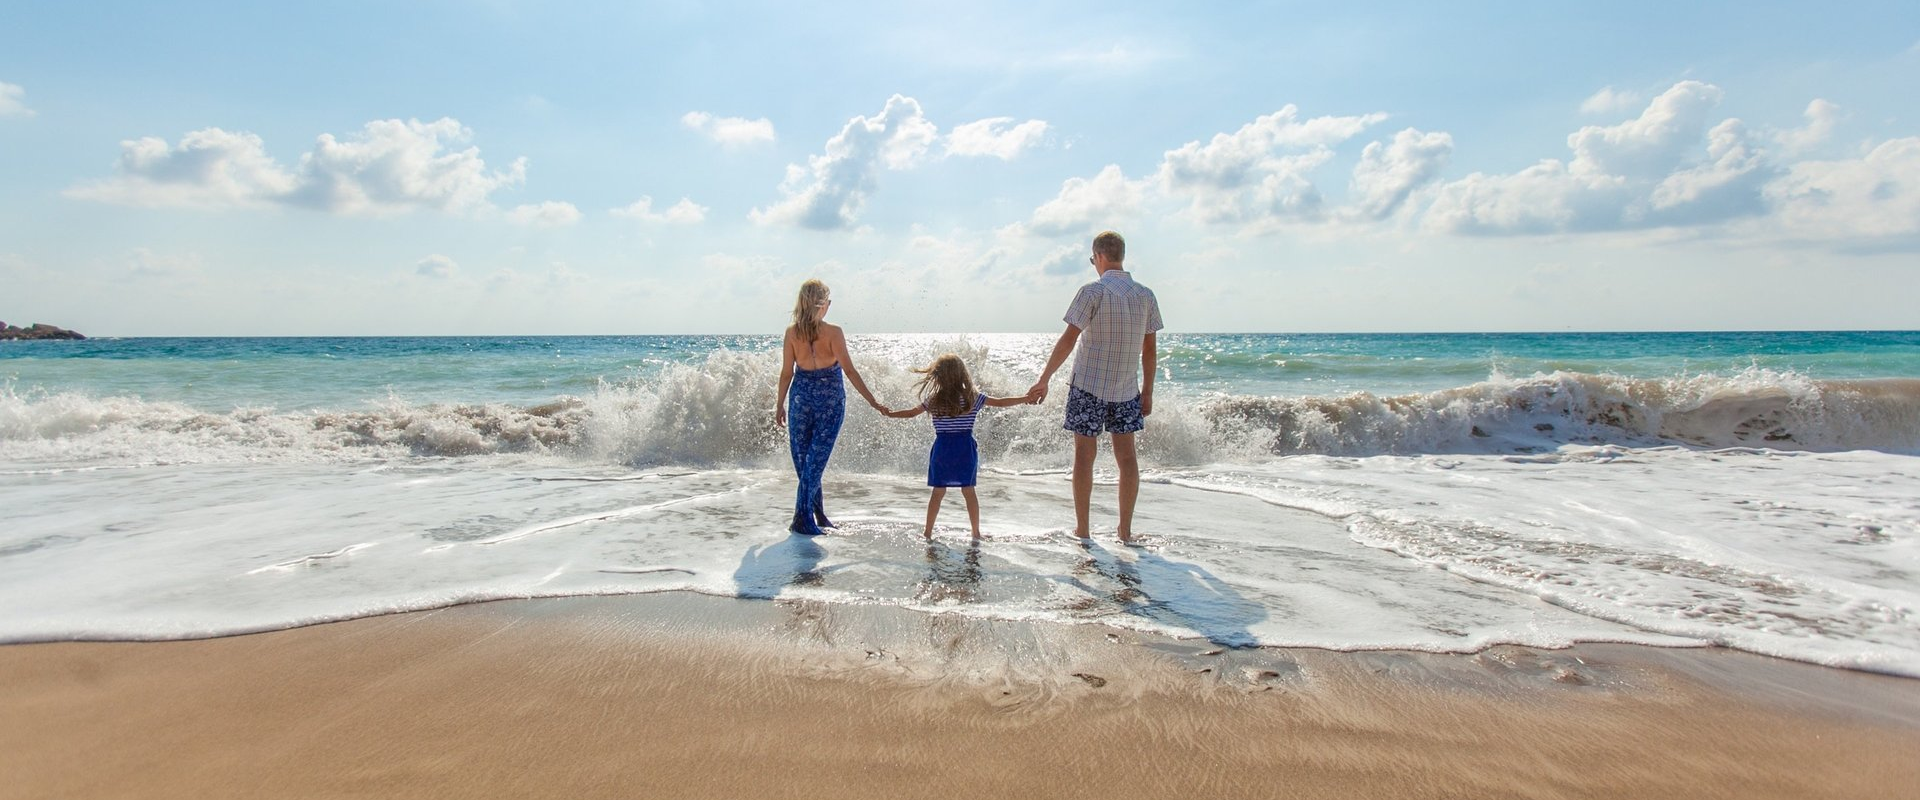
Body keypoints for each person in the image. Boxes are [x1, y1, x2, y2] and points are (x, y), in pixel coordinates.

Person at [1025, 231, 1163, 543]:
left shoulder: (1092, 292)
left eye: (1092, 260)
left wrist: (1044, 378)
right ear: (1121, 256)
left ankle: (1083, 530)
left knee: (1084, 457)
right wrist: (1149, 391)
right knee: (1127, 458)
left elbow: (1068, 339)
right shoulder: (1146, 295)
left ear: (1099, 256)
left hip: (1088, 386)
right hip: (1127, 389)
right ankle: (1125, 531)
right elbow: (1150, 351)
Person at [774, 279, 885, 536]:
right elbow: (849, 370)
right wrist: (872, 400)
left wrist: (779, 404)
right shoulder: (833, 332)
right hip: (829, 401)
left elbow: (786, 374)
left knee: (808, 462)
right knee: (812, 463)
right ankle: (802, 518)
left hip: (801, 398)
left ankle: (817, 515)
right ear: (823, 304)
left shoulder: (792, 333)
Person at [881, 354, 1030, 540]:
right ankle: (976, 533)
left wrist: (891, 414)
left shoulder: (934, 399)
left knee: (938, 492)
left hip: (942, 449)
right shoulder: (972, 398)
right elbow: (1000, 402)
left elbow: (911, 413)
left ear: (938, 376)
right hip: (964, 449)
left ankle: (927, 532)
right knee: (968, 491)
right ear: (962, 375)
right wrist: (1025, 398)